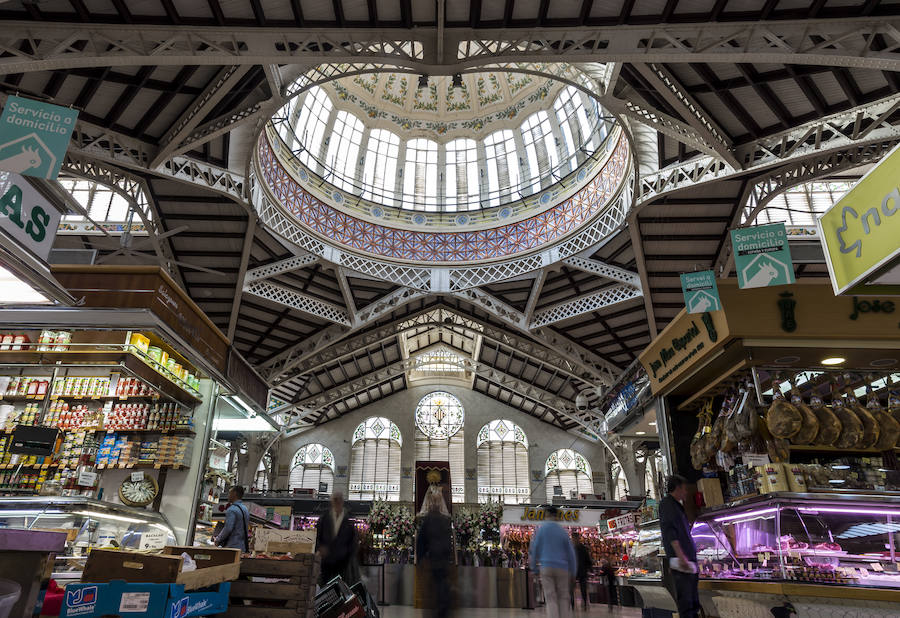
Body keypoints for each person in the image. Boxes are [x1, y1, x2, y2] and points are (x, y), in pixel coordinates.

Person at [659, 475, 700, 618]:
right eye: (684, 489)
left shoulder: (677, 505)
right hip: (682, 563)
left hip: (686, 561)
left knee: (692, 604)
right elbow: (670, 532)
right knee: (687, 605)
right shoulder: (667, 504)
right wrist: (680, 555)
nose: (686, 492)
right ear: (677, 488)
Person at [529, 506, 576, 618]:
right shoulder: (563, 531)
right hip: (563, 568)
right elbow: (571, 554)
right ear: (556, 516)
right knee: (563, 597)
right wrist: (573, 572)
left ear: (547, 515)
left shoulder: (541, 530)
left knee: (550, 598)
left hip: (546, 568)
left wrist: (534, 568)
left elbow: (534, 550)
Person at [416, 487, 454, 618]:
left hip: (434, 562)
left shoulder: (430, 521)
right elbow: (448, 544)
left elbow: (421, 542)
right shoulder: (443, 521)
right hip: (440, 562)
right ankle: (441, 610)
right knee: (441, 590)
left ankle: (438, 610)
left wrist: (421, 560)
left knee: (434, 591)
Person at [316, 491, 358, 586]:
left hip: (342, 563)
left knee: (341, 588)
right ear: (331, 501)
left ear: (342, 501)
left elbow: (353, 542)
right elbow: (317, 536)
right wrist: (320, 548)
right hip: (326, 562)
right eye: (335, 499)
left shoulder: (349, 519)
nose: (337, 501)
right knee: (325, 588)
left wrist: (348, 557)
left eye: (339, 499)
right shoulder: (324, 518)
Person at [215, 485, 249, 551]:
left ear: (234, 494)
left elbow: (228, 528)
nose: (228, 495)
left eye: (229, 493)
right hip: (242, 546)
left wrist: (218, 539)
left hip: (232, 546)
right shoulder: (245, 509)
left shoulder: (232, 510)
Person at [571, 531, 592, 610]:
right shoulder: (583, 548)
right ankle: (582, 602)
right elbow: (588, 559)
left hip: (575, 571)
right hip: (581, 571)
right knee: (582, 588)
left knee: (573, 588)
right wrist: (590, 568)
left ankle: (573, 603)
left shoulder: (571, 548)